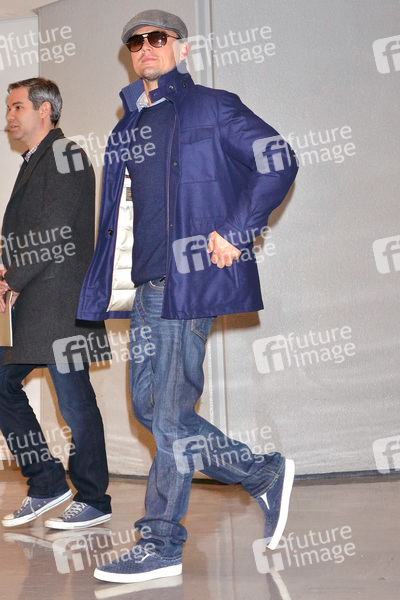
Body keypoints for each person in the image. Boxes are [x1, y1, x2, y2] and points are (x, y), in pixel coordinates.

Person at [77, 10, 298, 583]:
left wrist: (238, 229)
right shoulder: (127, 125)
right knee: (151, 409)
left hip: (188, 279)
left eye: (158, 38)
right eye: (136, 42)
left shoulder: (213, 107)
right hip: (146, 284)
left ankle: (160, 541)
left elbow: (277, 158)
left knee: (170, 414)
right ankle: (260, 471)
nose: (145, 47)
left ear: (182, 48)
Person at [0, 77, 112, 530]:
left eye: (17, 107)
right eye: (8, 108)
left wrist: (11, 279)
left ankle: (93, 498)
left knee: (75, 401)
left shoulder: (65, 154)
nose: (9, 116)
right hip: (35, 304)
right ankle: (46, 481)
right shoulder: (36, 160)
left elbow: (56, 229)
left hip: (61, 303)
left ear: (44, 110)